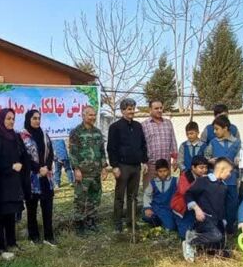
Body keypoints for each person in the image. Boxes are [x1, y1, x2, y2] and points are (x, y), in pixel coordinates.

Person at [0, 109, 30, 257]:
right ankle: (0, 246)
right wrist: (10, 167)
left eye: (13, 118)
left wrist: (23, 166)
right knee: (0, 215)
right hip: (0, 182)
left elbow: (24, 156)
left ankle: (12, 242)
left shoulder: (15, 136)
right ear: (1, 120)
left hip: (14, 182)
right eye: (8, 118)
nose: (11, 121)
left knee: (11, 213)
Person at [182, 157, 235, 262]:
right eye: (229, 172)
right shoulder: (203, 181)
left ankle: (205, 248)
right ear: (222, 170)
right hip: (204, 218)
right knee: (216, 236)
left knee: (223, 248)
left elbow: (221, 205)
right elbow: (188, 194)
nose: (230, 175)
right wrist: (196, 209)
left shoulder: (224, 186)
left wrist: (223, 220)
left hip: (217, 220)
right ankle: (191, 241)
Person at [107, 98, 148, 233]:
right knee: (120, 197)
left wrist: (144, 161)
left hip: (136, 166)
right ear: (123, 110)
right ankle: (117, 223)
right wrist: (114, 166)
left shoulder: (138, 126)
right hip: (122, 166)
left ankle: (131, 221)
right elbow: (111, 148)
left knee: (133, 196)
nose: (132, 111)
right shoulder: (115, 127)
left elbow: (143, 145)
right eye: (129, 109)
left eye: (133, 109)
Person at [21, 109, 56, 246]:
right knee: (32, 209)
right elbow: (24, 157)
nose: (37, 121)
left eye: (39, 118)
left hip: (46, 176)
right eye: (34, 118)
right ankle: (33, 236)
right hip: (32, 178)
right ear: (28, 119)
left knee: (47, 208)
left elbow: (50, 153)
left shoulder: (44, 134)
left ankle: (49, 236)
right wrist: (37, 169)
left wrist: (46, 167)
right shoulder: (23, 136)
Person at [69, 106, 107, 234]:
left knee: (94, 198)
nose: (93, 117)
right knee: (80, 199)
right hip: (83, 173)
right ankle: (79, 225)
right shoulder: (76, 132)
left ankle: (91, 221)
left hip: (95, 172)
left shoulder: (97, 132)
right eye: (90, 115)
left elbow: (102, 151)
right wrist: (76, 169)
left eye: (94, 115)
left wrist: (104, 167)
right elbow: (73, 153)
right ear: (83, 115)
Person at [203, 115, 240, 232]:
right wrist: (210, 161)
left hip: (231, 179)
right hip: (217, 180)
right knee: (217, 203)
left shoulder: (237, 143)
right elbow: (206, 156)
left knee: (232, 203)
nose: (214, 132)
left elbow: (240, 157)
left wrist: (238, 161)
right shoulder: (213, 142)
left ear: (225, 128)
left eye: (217, 129)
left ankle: (230, 226)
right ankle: (218, 226)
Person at [171, 155, 210, 240]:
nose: (204, 170)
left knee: (199, 230)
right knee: (185, 235)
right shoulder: (184, 176)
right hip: (182, 209)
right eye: (201, 168)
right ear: (193, 167)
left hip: (195, 208)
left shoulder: (205, 177)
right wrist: (199, 181)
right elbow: (184, 192)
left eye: (206, 167)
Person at [143, 99, 178, 185]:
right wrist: (143, 162)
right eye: (156, 108)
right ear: (150, 110)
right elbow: (141, 145)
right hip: (151, 165)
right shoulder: (144, 125)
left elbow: (173, 141)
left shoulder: (168, 123)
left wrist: (175, 159)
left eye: (161, 108)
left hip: (166, 165)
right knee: (149, 189)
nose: (159, 110)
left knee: (166, 189)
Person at [141, 159, 177, 231]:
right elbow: (147, 195)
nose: (163, 173)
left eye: (165, 171)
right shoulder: (153, 182)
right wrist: (147, 208)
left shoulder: (175, 181)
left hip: (168, 209)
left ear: (168, 170)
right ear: (156, 172)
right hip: (156, 207)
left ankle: (162, 221)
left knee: (170, 227)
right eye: (160, 171)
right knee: (146, 216)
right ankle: (159, 221)